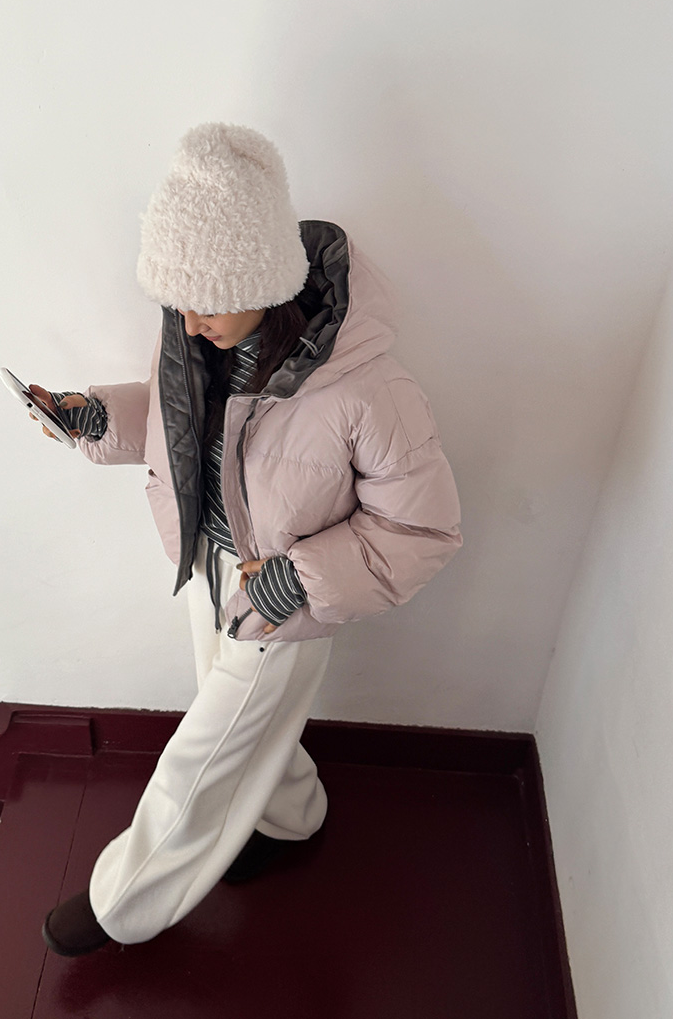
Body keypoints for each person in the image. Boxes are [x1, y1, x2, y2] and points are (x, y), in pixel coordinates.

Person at [31, 123, 462, 957]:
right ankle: (294, 816)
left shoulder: (370, 388)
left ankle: (123, 902)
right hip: (208, 567)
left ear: (264, 279)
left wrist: (297, 579)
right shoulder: (199, 344)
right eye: (179, 302)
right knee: (246, 728)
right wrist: (94, 418)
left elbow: (423, 526)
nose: (191, 322)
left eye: (208, 301)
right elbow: (178, 425)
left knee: (205, 756)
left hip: (287, 598)